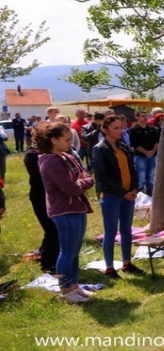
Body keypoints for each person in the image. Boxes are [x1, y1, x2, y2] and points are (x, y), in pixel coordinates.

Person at [36, 122, 95, 303]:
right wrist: (82, 183)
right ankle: (66, 291)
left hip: (77, 208)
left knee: (75, 250)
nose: (71, 143)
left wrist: (82, 182)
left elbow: (87, 176)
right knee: (67, 251)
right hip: (63, 211)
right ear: (54, 140)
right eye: (67, 139)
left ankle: (75, 286)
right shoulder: (50, 162)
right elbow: (72, 189)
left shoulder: (67, 157)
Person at [92, 115, 144, 278]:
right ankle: (109, 267)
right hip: (111, 196)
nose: (120, 130)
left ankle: (127, 263)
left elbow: (132, 170)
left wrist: (135, 188)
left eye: (121, 127)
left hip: (129, 195)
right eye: (115, 128)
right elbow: (102, 176)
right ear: (105, 130)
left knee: (126, 230)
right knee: (111, 231)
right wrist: (123, 192)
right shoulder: (99, 149)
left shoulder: (124, 147)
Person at [24, 140, 59, 273]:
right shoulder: (32, 155)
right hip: (40, 197)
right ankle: (48, 265)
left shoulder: (54, 153)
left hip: (55, 196)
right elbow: (42, 176)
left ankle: (50, 258)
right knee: (52, 230)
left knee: (55, 230)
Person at [129, 110, 159, 196]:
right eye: (143, 116)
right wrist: (146, 152)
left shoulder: (152, 129)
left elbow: (157, 141)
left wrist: (153, 151)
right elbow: (134, 144)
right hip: (140, 157)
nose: (145, 118)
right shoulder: (133, 130)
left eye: (146, 116)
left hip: (153, 156)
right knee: (141, 178)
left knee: (151, 178)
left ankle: (150, 195)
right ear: (137, 117)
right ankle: (140, 196)